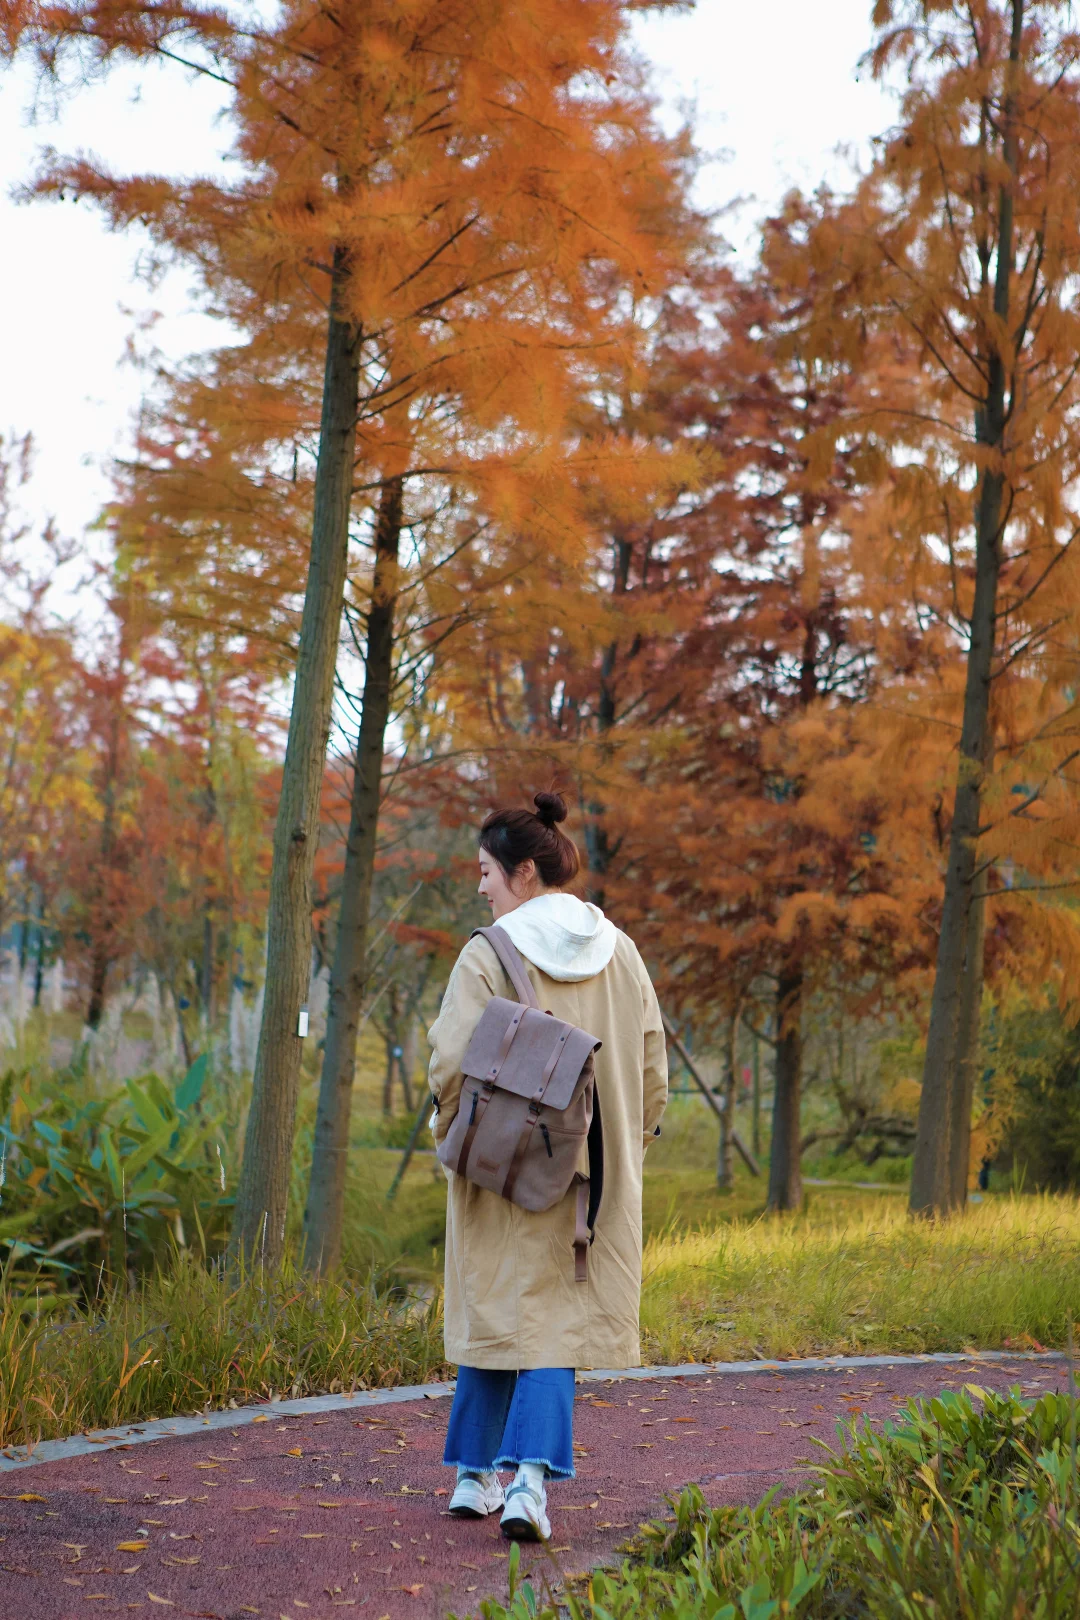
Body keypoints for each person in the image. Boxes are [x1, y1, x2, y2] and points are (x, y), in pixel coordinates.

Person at [427, 791, 668, 1542]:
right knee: (556, 1321)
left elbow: (449, 1062)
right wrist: (628, 1146)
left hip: (504, 1167)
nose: (480, 886)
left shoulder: (487, 953)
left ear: (523, 871)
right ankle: (528, 1486)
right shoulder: (621, 953)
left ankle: (474, 1477)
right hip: (592, 1178)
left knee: (498, 1307)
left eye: (485, 871)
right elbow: (652, 1069)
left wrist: (449, 1134)